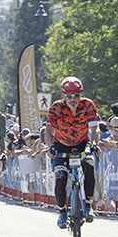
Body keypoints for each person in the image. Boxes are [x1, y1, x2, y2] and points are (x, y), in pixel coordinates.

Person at [45, 76, 99, 228]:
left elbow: (95, 128)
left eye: (76, 95)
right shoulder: (56, 107)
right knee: (60, 177)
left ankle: (88, 205)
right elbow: (48, 130)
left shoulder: (88, 105)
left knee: (89, 166)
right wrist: (50, 146)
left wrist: (94, 144)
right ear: (63, 96)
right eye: (69, 96)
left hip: (82, 143)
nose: (73, 99)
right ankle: (62, 212)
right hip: (61, 144)